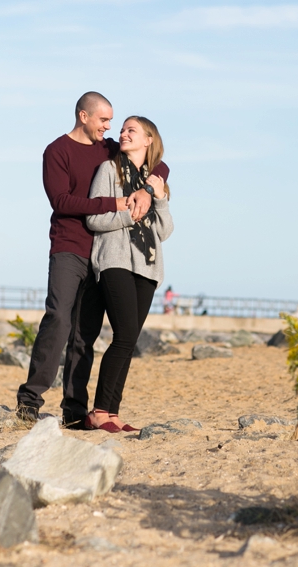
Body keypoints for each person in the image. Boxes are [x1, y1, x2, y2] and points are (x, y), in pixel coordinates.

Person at [16, 93, 168, 427]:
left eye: (113, 122)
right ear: (83, 116)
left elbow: (157, 161)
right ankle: (29, 400)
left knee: (86, 333)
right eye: (103, 120)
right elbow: (61, 200)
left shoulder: (108, 148)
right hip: (70, 246)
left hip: (103, 251)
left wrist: (146, 191)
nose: (110, 128)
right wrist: (112, 204)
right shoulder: (57, 151)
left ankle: (74, 412)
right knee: (59, 319)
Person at [85, 116, 173, 432]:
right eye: (122, 130)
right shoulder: (109, 170)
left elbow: (164, 231)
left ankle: (113, 413)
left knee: (130, 340)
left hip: (148, 268)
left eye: (130, 130)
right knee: (123, 335)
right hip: (115, 261)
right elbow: (94, 218)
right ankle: (98, 412)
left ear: (148, 139)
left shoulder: (154, 181)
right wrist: (128, 214)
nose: (122, 133)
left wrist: (158, 200)